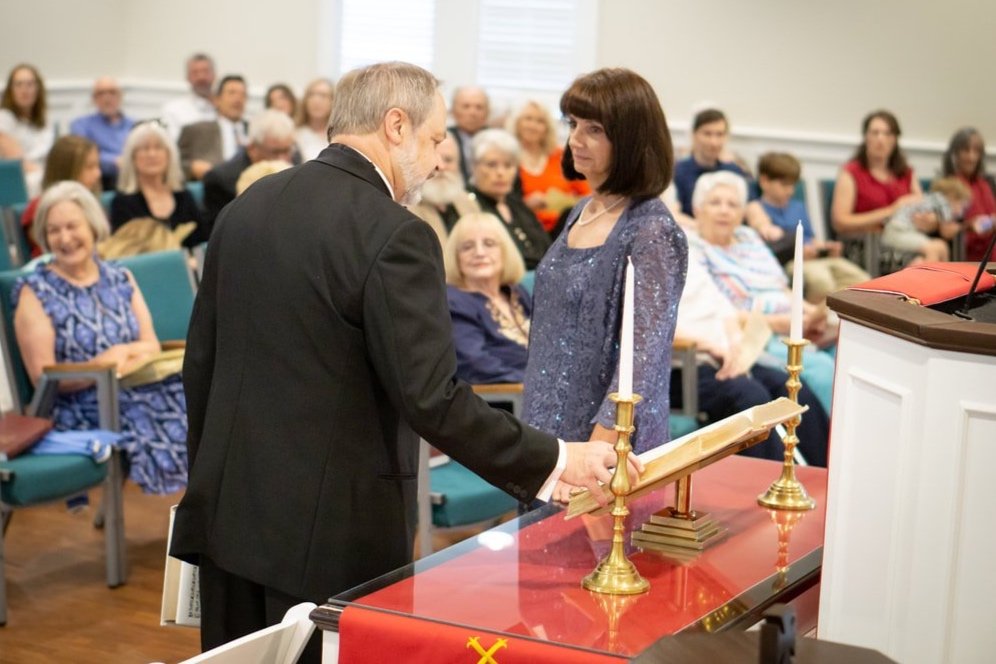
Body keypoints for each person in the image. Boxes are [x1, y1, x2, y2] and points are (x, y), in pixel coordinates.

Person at [169, 61, 631, 662]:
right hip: (330, 537)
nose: (441, 158)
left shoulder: (247, 207)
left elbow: (199, 367)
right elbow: (432, 398)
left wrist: (208, 485)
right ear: (395, 126)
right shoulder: (396, 234)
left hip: (226, 519)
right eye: (437, 138)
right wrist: (558, 457)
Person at [523, 67, 688, 466]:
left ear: (630, 140)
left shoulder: (650, 231)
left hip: (606, 446)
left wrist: (600, 449)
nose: (575, 140)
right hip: (546, 430)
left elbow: (642, 360)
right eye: (573, 123)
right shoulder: (583, 210)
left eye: (594, 129)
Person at [11, 181, 188, 494]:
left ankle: (205, 519)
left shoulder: (120, 277)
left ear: (93, 226)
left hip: (135, 387)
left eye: (72, 226)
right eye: (53, 230)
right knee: (175, 416)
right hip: (80, 405)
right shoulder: (35, 292)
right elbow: (43, 377)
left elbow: (150, 343)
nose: (64, 238)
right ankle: (196, 520)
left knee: (203, 404)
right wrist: (103, 364)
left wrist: (123, 353)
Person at [690, 171, 836, 414]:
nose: (725, 210)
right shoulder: (694, 248)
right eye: (715, 203)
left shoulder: (748, 237)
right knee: (822, 369)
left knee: (843, 352)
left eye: (733, 204)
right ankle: (831, 447)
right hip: (755, 335)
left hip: (794, 322)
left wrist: (810, 313)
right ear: (697, 209)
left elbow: (780, 287)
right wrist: (782, 323)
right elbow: (719, 313)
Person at [673, 243, 829, 466]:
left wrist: (737, 345)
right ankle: (770, 487)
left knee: (792, 387)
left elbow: (726, 311)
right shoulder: (645, 269)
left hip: (728, 355)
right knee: (751, 398)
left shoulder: (691, 263)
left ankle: (822, 475)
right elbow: (650, 331)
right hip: (685, 367)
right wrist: (709, 346)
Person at [745, 152, 869, 303]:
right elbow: (767, 238)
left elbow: (812, 239)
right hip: (791, 262)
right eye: (784, 185)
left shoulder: (798, 207)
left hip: (814, 258)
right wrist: (799, 251)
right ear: (764, 181)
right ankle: (814, 321)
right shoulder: (757, 208)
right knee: (822, 283)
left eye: (792, 185)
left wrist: (824, 248)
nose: (790, 191)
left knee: (862, 281)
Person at [444, 212, 530, 384]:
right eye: (467, 247)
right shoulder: (453, 302)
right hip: (501, 401)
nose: (479, 253)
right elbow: (474, 364)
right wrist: (533, 385)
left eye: (489, 244)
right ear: (455, 257)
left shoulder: (517, 293)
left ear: (505, 251)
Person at [201, 109, 296, 233]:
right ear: (252, 149)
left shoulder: (296, 166)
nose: (283, 159)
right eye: (275, 152)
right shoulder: (221, 180)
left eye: (287, 151)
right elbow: (221, 235)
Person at [831, 110, 923, 236]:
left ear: (895, 139)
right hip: (867, 242)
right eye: (875, 133)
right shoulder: (851, 172)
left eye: (888, 133)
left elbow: (920, 204)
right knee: (932, 249)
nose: (881, 139)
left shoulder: (906, 172)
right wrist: (891, 211)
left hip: (906, 236)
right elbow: (840, 222)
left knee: (937, 247)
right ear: (865, 137)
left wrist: (930, 220)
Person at [468, 128, 550, 270]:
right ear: (474, 167)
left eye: (508, 165)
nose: (501, 173)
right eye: (492, 165)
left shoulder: (517, 204)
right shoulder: (467, 205)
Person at [111, 121, 204, 246]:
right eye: (144, 149)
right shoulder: (122, 203)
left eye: (158, 148)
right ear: (132, 157)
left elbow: (203, 240)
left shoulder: (184, 195)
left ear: (169, 155)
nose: (152, 154)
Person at [511, 100, 591, 235]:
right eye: (528, 119)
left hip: (564, 229)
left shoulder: (562, 157)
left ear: (547, 128)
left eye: (540, 121)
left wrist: (565, 201)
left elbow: (588, 195)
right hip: (523, 229)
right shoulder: (508, 158)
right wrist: (525, 205)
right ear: (517, 123)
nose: (533, 126)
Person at [19, 135, 102, 258]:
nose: (98, 173)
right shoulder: (41, 208)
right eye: (89, 167)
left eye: (97, 166)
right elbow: (57, 252)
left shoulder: (90, 202)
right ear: (67, 170)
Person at [672, 108, 747, 222]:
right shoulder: (677, 172)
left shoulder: (734, 172)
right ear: (694, 135)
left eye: (720, 134)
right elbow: (672, 213)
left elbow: (748, 208)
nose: (714, 142)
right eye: (707, 134)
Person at [409, 131, 476, 247]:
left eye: (448, 160)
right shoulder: (407, 208)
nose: (441, 167)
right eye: (433, 157)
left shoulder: (468, 203)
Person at [69, 77, 135, 191]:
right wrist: (115, 161)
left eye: (112, 92)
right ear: (93, 99)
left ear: (121, 96)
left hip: (132, 177)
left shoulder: (133, 125)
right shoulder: (81, 125)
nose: (107, 97)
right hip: (100, 180)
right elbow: (82, 155)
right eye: (101, 93)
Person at [883, 177, 971, 262]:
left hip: (896, 232)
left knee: (938, 249)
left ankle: (939, 274)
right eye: (961, 206)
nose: (960, 212)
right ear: (953, 196)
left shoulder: (931, 199)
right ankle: (937, 275)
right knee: (937, 248)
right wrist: (964, 226)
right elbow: (946, 231)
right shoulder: (943, 202)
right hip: (899, 232)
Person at [177, 75, 248, 180]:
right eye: (232, 93)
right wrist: (191, 168)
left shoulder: (255, 131)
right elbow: (176, 162)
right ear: (216, 99)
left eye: (243, 94)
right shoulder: (196, 130)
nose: (238, 99)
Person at [941, 127, 996, 261]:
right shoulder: (948, 185)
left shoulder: (986, 183)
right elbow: (946, 229)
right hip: (967, 253)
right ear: (955, 154)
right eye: (966, 151)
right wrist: (969, 226)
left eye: (976, 151)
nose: (971, 157)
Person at [0, 63, 55, 196]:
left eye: (30, 84)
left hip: (44, 174)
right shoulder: (3, 119)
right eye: (19, 84)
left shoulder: (45, 120)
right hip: (19, 180)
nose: (25, 90)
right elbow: (19, 163)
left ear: (38, 89)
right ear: (10, 90)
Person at [160, 53, 217, 143]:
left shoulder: (225, 109)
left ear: (214, 75)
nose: (201, 77)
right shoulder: (173, 110)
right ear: (187, 77)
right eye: (195, 72)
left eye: (205, 71)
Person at [449, 86, 490, 182]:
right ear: (453, 111)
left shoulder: (498, 140)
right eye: (466, 106)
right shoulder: (443, 139)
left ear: (487, 112)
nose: (473, 112)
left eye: (479, 107)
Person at [294, 78, 335, 160]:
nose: (316, 101)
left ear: (333, 101)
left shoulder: (340, 136)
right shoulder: (295, 135)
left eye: (323, 96)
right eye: (311, 95)